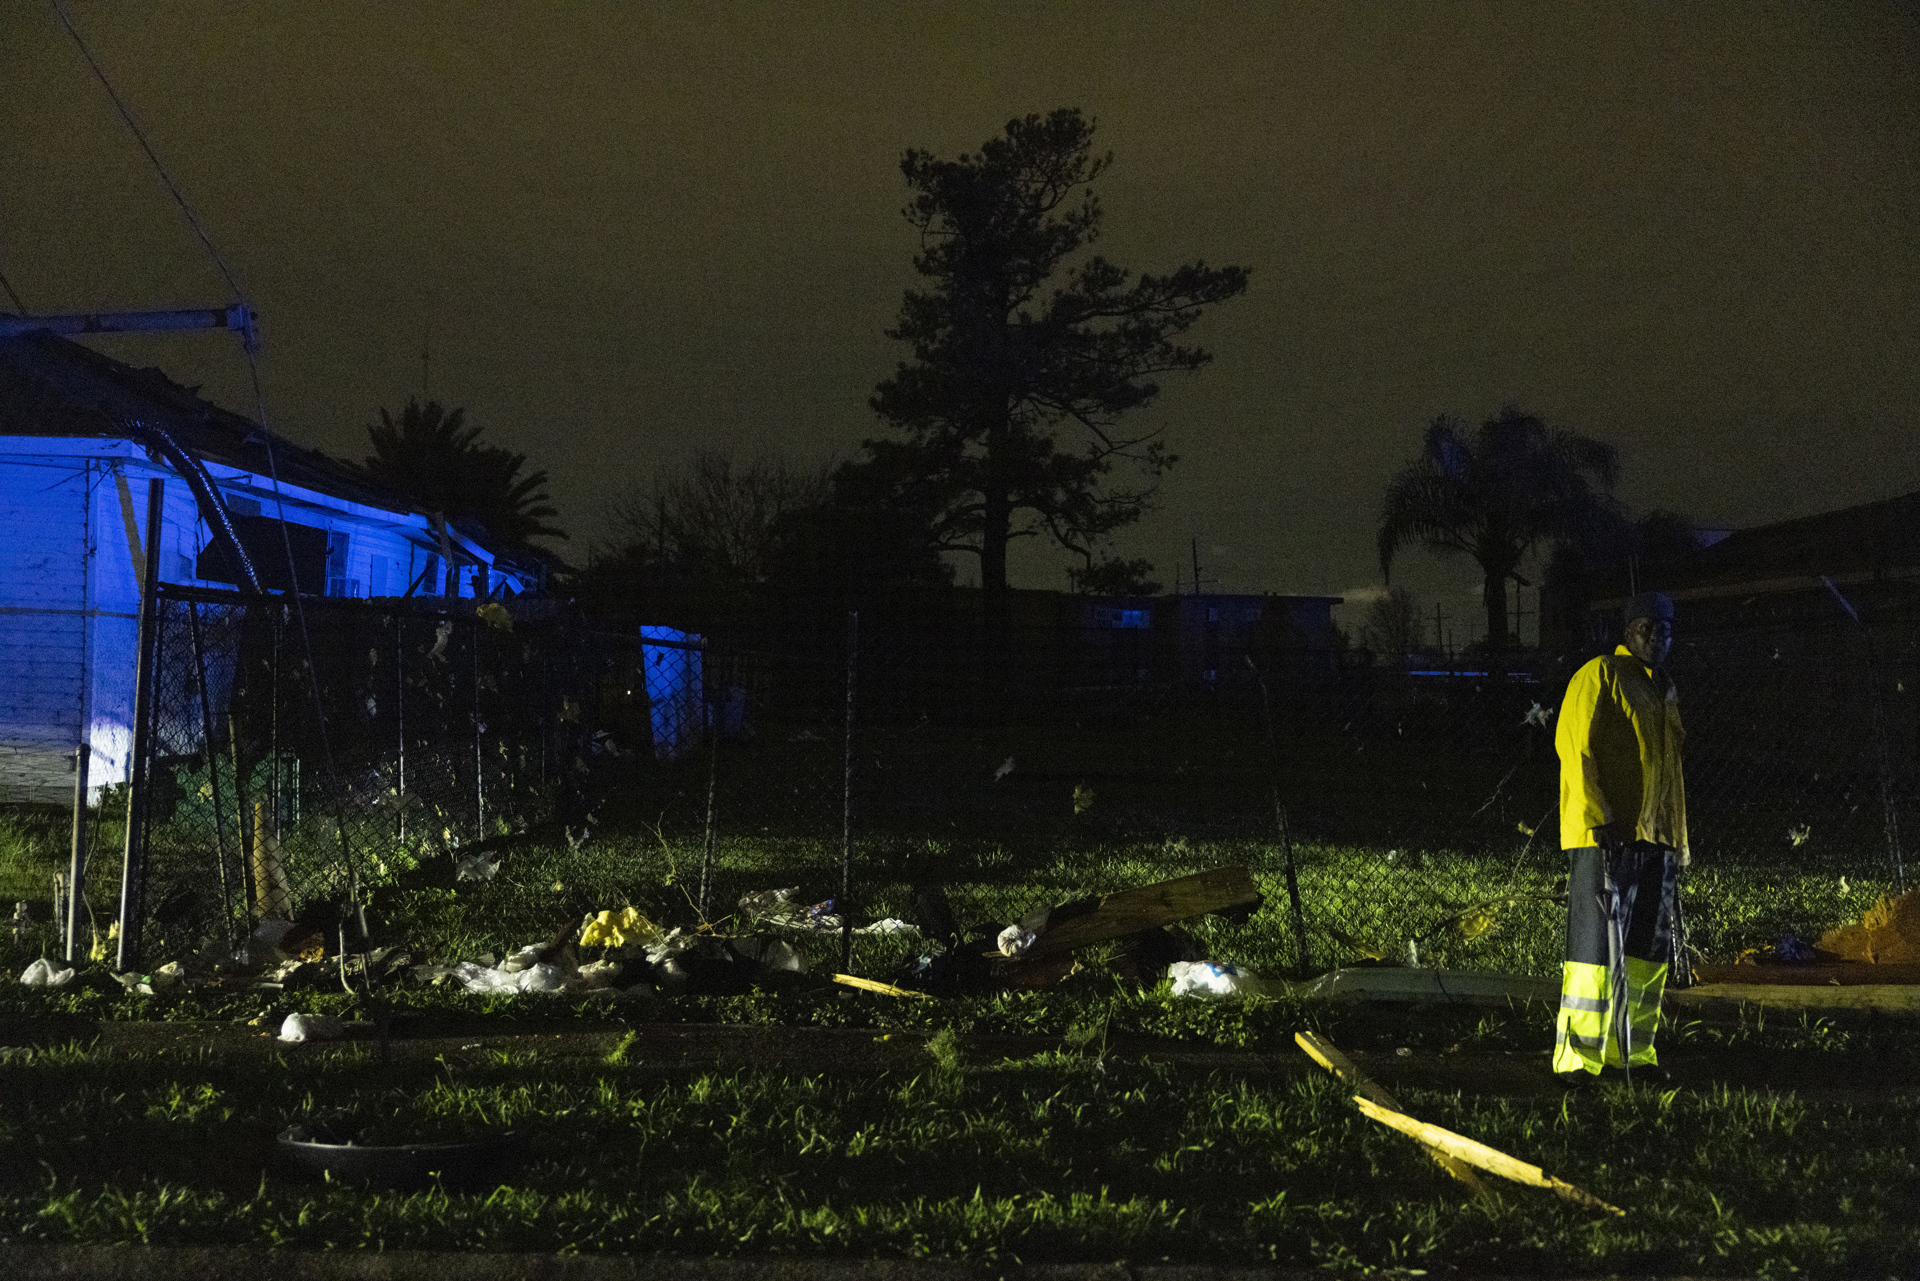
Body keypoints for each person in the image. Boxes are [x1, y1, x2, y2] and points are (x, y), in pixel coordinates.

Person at [1551, 591, 1687, 1084]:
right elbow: (1575, 746)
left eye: (1664, 630)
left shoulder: (1662, 687)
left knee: (1645, 951)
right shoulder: (1602, 674)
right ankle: (1578, 1059)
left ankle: (1632, 1053)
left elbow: (1666, 770)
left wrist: (1675, 838)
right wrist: (1597, 818)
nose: (1656, 637)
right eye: (1646, 628)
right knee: (1593, 949)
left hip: (1655, 838)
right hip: (1608, 836)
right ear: (1627, 633)